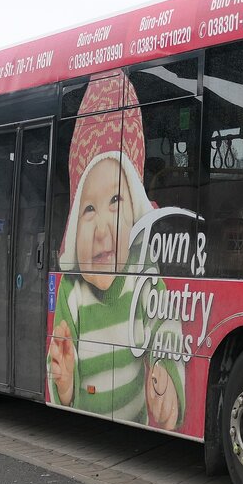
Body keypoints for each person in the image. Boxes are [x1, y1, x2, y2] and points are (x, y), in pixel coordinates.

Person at [47, 73, 185, 430]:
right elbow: (63, 360)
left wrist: (167, 379)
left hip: (136, 418)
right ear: (75, 224)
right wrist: (63, 385)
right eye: (88, 209)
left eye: (115, 202)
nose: (102, 228)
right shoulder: (70, 290)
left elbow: (166, 328)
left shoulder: (142, 272)